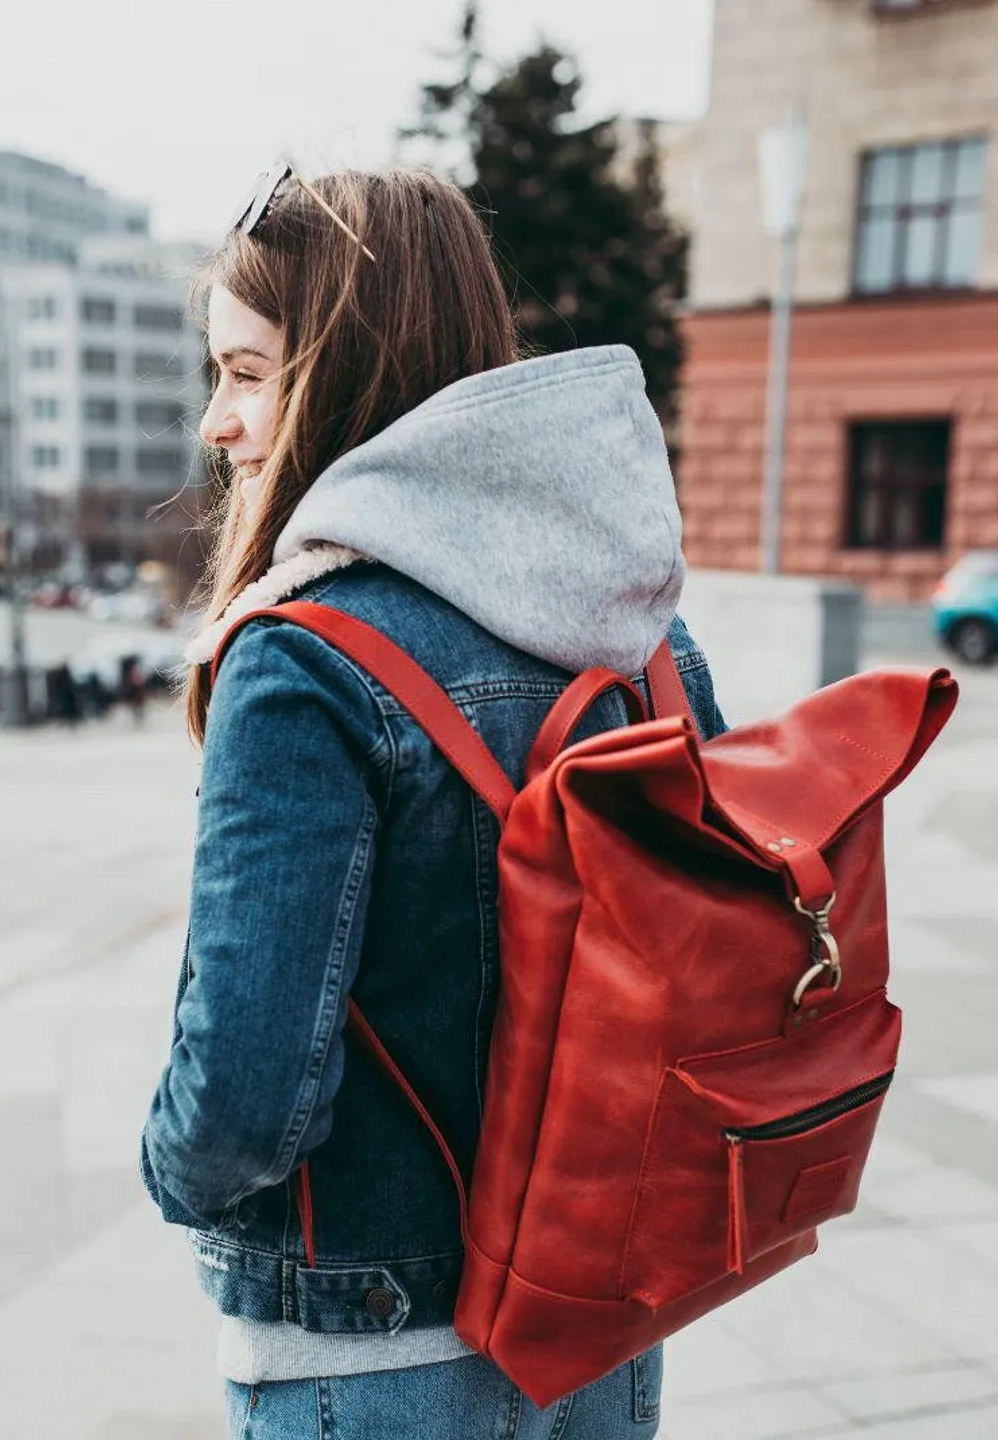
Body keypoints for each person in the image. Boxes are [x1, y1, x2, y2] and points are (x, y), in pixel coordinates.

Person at [141, 165, 725, 1440]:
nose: (216, 426)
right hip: (599, 1319)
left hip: (370, 1341)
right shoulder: (647, 642)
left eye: (247, 374)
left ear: (345, 369)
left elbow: (243, 1100)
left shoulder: (305, 654)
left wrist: (170, 1170)